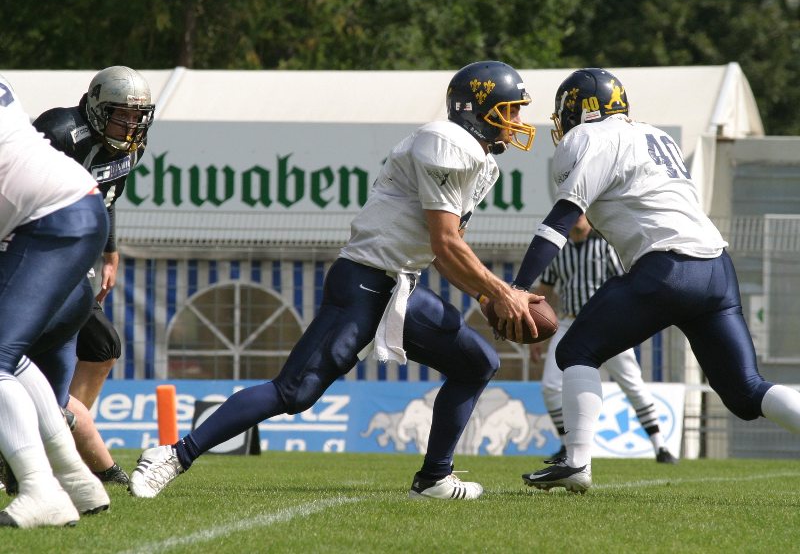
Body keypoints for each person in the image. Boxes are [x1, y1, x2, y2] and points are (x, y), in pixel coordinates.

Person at [128, 60, 541, 501]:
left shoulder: (481, 162)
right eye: (510, 110)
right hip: (364, 283)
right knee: (294, 392)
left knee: (476, 363)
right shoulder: (447, 142)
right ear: (477, 109)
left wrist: (485, 295)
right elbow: (446, 243)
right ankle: (172, 454)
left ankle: (434, 478)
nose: (517, 120)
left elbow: (444, 253)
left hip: (399, 287)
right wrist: (501, 292)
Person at [498, 67, 800, 494]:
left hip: (667, 268)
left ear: (581, 110)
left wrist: (517, 286)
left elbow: (561, 221)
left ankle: (576, 461)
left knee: (576, 351)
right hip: (716, 268)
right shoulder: (656, 135)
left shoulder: (587, 138)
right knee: (747, 393)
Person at [28, 66, 154, 487]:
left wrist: (110, 251)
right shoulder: (61, 132)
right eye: (122, 114)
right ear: (99, 107)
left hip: (71, 262)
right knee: (26, 356)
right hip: (36, 258)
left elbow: (105, 199)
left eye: (137, 116)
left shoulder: (132, 146)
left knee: (102, 348)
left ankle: (56, 442)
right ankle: (42, 445)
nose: (130, 124)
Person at [0, 74, 110, 528]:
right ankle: (75, 479)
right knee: (9, 355)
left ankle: (39, 488)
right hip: (68, 213)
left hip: (50, 222)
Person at [530, 214, 677, 464]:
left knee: (632, 383)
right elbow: (544, 291)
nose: (577, 217)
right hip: (569, 322)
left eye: (581, 212)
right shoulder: (559, 251)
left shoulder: (605, 245)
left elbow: (627, 283)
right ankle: (566, 445)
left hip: (606, 322)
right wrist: (536, 336)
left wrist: (628, 323)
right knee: (551, 386)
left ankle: (660, 446)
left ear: (589, 216)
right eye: (573, 212)